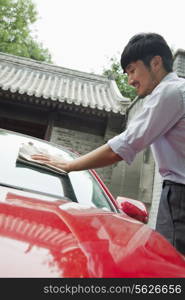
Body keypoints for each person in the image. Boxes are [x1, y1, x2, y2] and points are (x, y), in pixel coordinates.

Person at [32, 33, 185, 255]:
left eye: (132, 70)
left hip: (179, 199)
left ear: (156, 62)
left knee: (169, 265)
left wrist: (69, 165)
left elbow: (122, 147)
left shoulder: (169, 93)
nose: (130, 80)